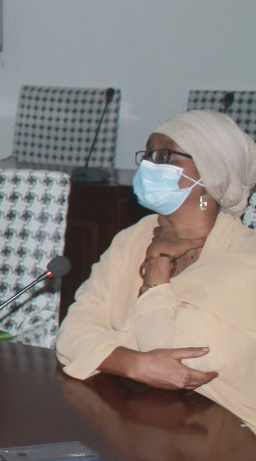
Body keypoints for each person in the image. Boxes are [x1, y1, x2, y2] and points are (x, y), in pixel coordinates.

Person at [56, 110, 256, 432]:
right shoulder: (135, 236)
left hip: (224, 437)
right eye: (148, 155)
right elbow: (71, 334)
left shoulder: (246, 257)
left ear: (211, 171)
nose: (149, 166)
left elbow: (185, 359)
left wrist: (156, 272)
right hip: (138, 416)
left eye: (164, 156)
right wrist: (133, 362)